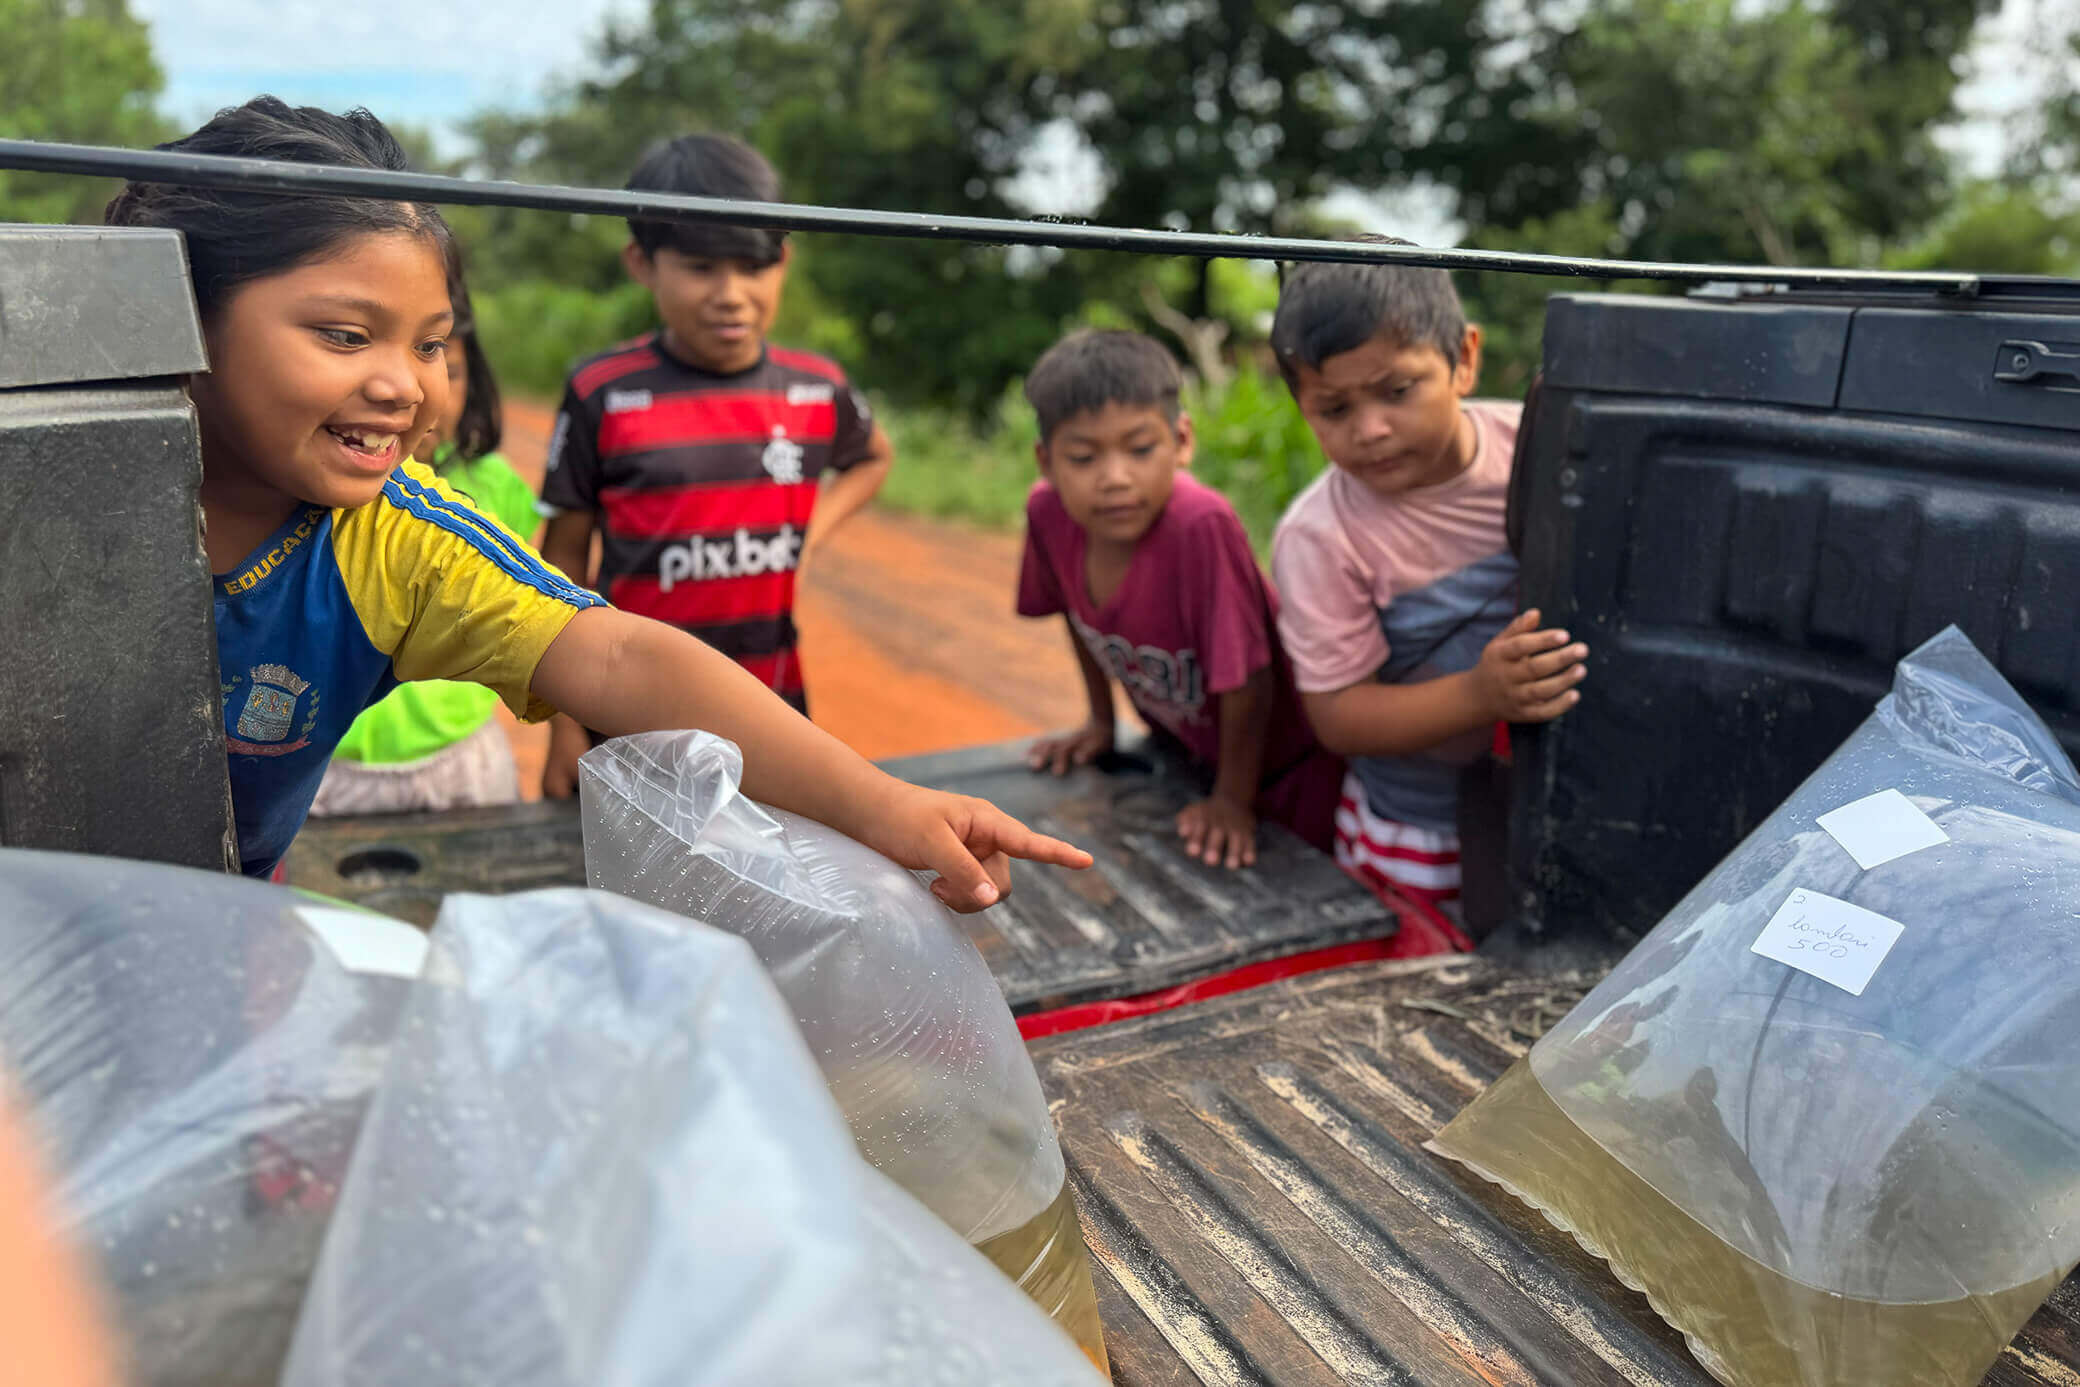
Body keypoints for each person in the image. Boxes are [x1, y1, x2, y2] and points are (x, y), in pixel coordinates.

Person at [105, 97, 1087, 909]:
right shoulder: (51, 490)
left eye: (431, 343)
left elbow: (615, 651)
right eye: (346, 335)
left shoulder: (396, 539)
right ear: (180, 312)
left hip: (217, 926)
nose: (405, 386)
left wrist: (883, 806)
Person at [537, 133, 894, 797]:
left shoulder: (816, 387)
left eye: (752, 267)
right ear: (642, 263)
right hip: (631, 722)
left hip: (776, 713)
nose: (731, 293)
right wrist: (561, 724)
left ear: (782, 261)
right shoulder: (602, 391)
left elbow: (873, 458)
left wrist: (809, 537)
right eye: (701, 268)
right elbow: (559, 565)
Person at [1268, 244, 1586, 933]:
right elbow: (1339, 715)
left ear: (1464, 359)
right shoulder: (1321, 536)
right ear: (1302, 407)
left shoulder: (1541, 451)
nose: (1371, 429)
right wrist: (1482, 694)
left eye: (1396, 390)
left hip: (1559, 811)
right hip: (1414, 831)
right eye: (1335, 408)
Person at [1017, 330, 1343, 869]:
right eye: (1083, 457)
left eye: (1141, 449)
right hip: (1189, 760)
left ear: (1182, 440)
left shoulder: (1200, 525)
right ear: (1046, 461)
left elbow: (1248, 682)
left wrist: (1232, 802)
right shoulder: (1048, 515)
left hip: (1289, 771)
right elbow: (1073, 614)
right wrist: (1101, 722)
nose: (1115, 478)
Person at [308, 246, 536, 815]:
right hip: (330, 764)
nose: (406, 387)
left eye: (436, 356)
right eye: (348, 338)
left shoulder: (498, 485)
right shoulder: (317, 486)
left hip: (456, 755)